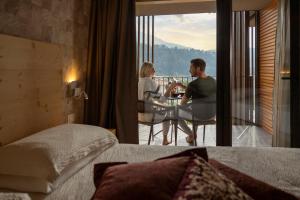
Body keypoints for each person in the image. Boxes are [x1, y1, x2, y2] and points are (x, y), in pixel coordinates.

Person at [176, 58, 216, 144]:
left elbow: (182, 104)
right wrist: (184, 87)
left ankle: (191, 134)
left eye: (191, 68)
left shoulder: (192, 85)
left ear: (198, 68)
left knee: (176, 112)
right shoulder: (213, 81)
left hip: (199, 117)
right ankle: (192, 136)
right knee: (195, 107)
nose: (189, 70)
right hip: (212, 116)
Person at [138, 62, 177, 145]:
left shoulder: (139, 82)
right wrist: (170, 88)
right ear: (147, 70)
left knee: (164, 108)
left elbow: (149, 98)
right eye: (152, 68)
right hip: (149, 117)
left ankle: (162, 138)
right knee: (169, 113)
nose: (154, 70)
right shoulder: (150, 82)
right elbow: (162, 100)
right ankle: (165, 139)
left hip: (139, 116)